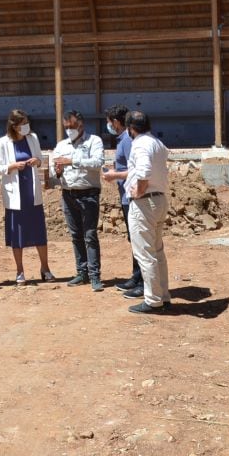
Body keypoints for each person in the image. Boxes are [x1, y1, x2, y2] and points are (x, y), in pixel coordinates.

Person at [0, 109, 54, 285]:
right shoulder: (3, 142)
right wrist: (12, 166)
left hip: (31, 191)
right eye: (23, 124)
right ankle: (20, 270)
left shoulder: (32, 138)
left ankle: (45, 267)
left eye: (27, 122)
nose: (26, 126)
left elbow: (40, 158)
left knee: (39, 232)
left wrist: (37, 161)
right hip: (15, 193)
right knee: (17, 234)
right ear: (14, 126)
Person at [50, 109, 105, 291]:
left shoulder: (94, 141)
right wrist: (57, 171)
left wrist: (72, 161)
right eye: (66, 127)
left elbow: (97, 163)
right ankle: (81, 272)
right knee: (76, 236)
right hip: (68, 194)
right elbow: (53, 170)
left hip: (88, 194)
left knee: (90, 235)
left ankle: (94, 275)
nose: (69, 130)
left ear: (81, 125)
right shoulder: (61, 145)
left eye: (72, 126)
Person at [123, 110, 172, 314]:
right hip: (159, 200)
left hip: (145, 203)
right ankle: (163, 295)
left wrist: (139, 191)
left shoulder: (140, 144)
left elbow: (143, 171)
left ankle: (152, 300)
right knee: (157, 251)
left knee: (145, 253)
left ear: (130, 129)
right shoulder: (157, 144)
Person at [101, 104, 143, 298]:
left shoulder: (127, 141)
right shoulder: (124, 139)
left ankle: (142, 281)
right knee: (133, 239)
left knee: (138, 240)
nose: (109, 126)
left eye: (110, 123)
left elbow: (133, 170)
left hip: (131, 198)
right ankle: (136, 276)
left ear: (116, 122)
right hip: (126, 195)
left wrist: (114, 174)